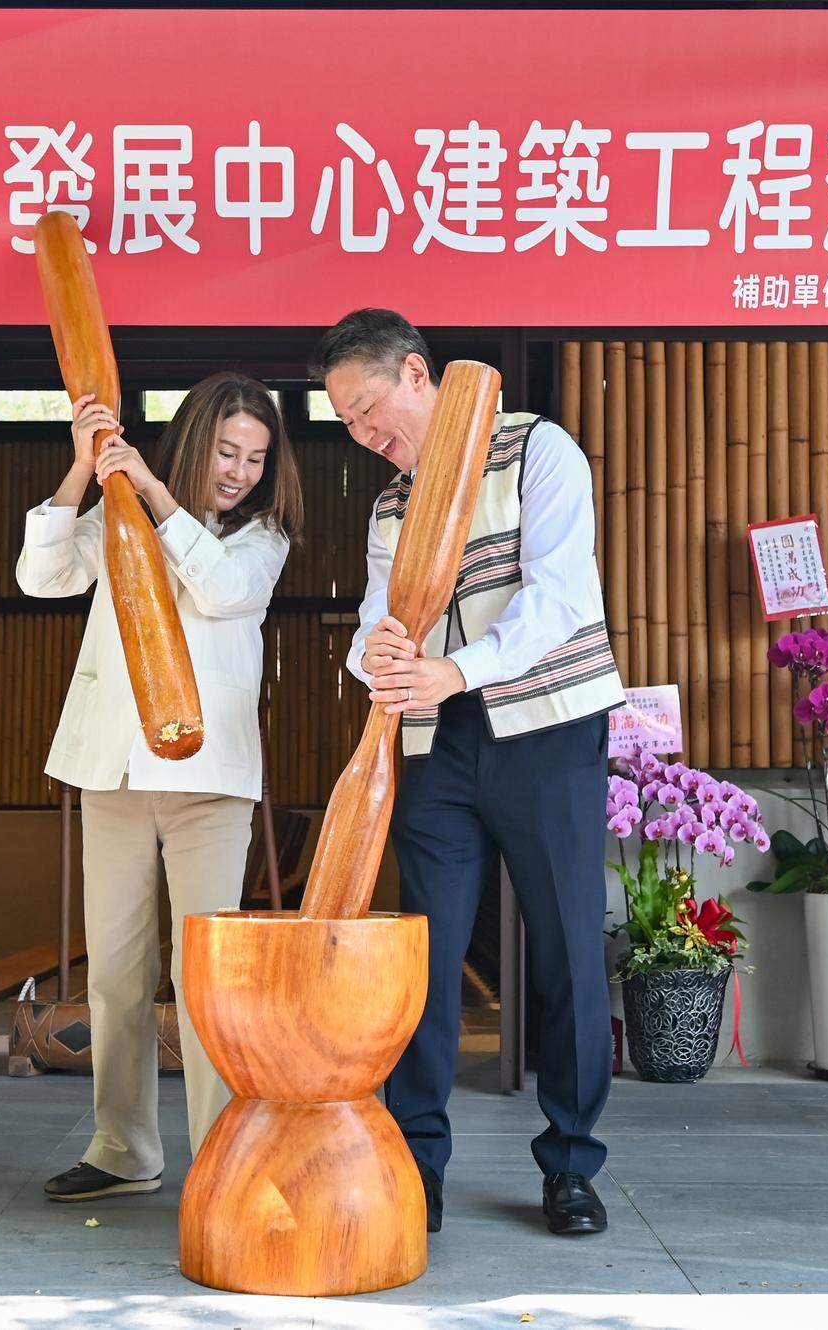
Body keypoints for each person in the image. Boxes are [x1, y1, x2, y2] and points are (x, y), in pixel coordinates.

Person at [312, 309, 626, 1236]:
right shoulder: (389, 507)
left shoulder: (539, 451)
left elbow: (560, 598)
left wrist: (455, 669)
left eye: (372, 413)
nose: (370, 440)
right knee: (424, 959)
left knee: (568, 948)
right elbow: (379, 619)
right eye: (353, 429)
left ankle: (571, 1164)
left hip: (548, 733)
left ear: (419, 375)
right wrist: (382, 660)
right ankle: (416, 1165)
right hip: (436, 748)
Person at [17, 373, 302, 1202]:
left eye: (254, 457)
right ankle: (122, 1148)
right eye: (226, 451)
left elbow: (220, 590)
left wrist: (150, 492)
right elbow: (43, 578)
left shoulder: (262, 538)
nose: (239, 470)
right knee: (113, 971)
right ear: (194, 438)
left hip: (208, 784)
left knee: (205, 977)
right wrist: (85, 472)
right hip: (111, 772)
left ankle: (218, 1158)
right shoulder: (116, 511)